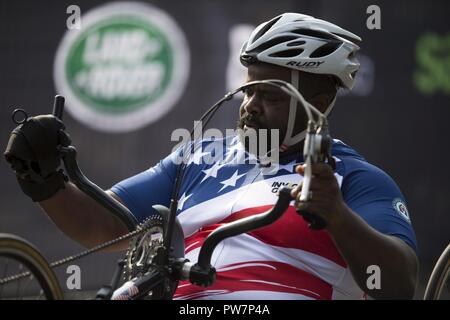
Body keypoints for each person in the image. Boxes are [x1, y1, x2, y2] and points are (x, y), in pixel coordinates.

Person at [4, 13, 418, 300]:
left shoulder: (356, 179)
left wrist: (337, 215)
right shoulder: (199, 157)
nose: (250, 105)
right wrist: (44, 180)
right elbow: (106, 223)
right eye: (248, 90)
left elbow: (398, 285)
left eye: (271, 96)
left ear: (320, 102)